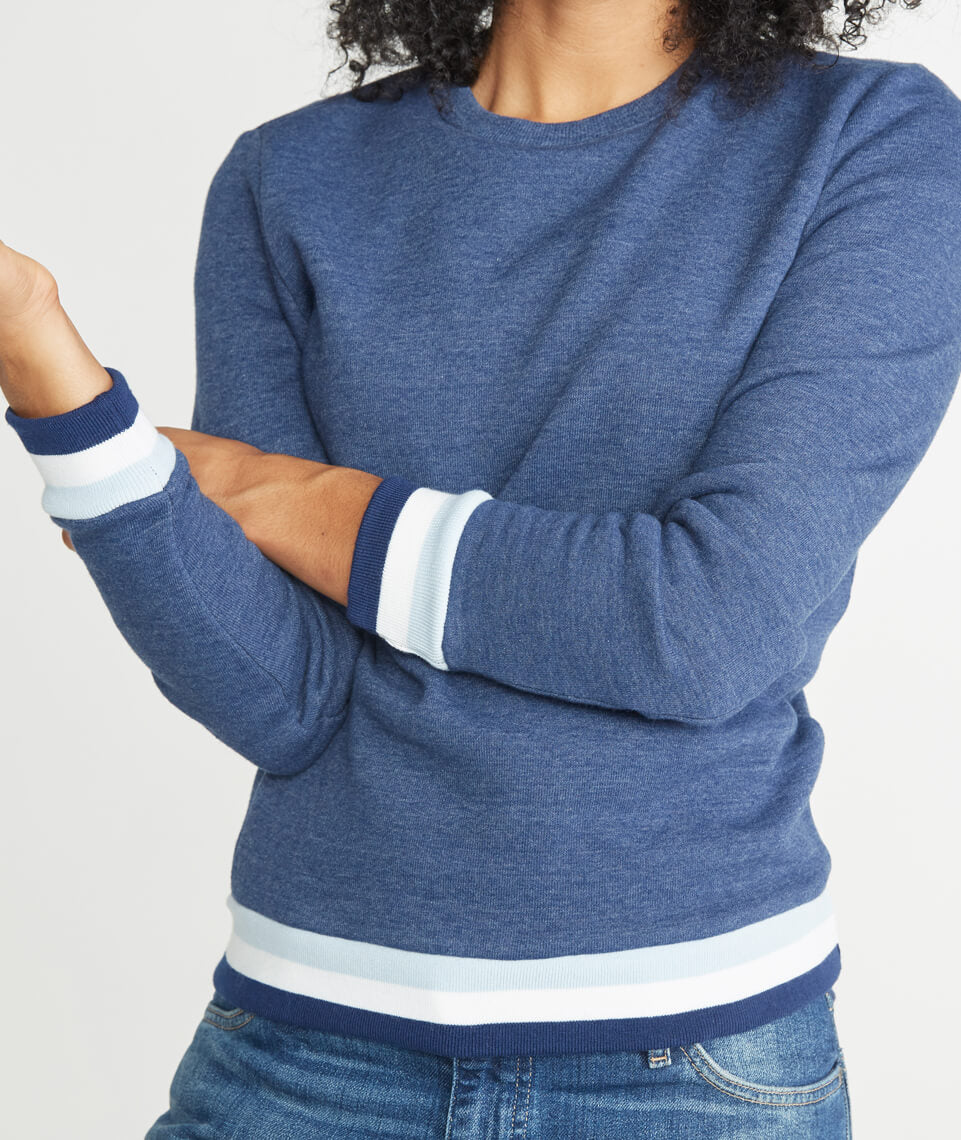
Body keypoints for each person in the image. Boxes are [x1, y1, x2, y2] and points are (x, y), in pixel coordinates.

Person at [2, 0, 960, 1135]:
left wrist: (274, 491)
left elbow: (705, 626)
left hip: (691, 1067)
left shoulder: (868, 137)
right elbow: (284, 701)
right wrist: (52, 378)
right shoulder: (286, 177)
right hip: (302, 1052)